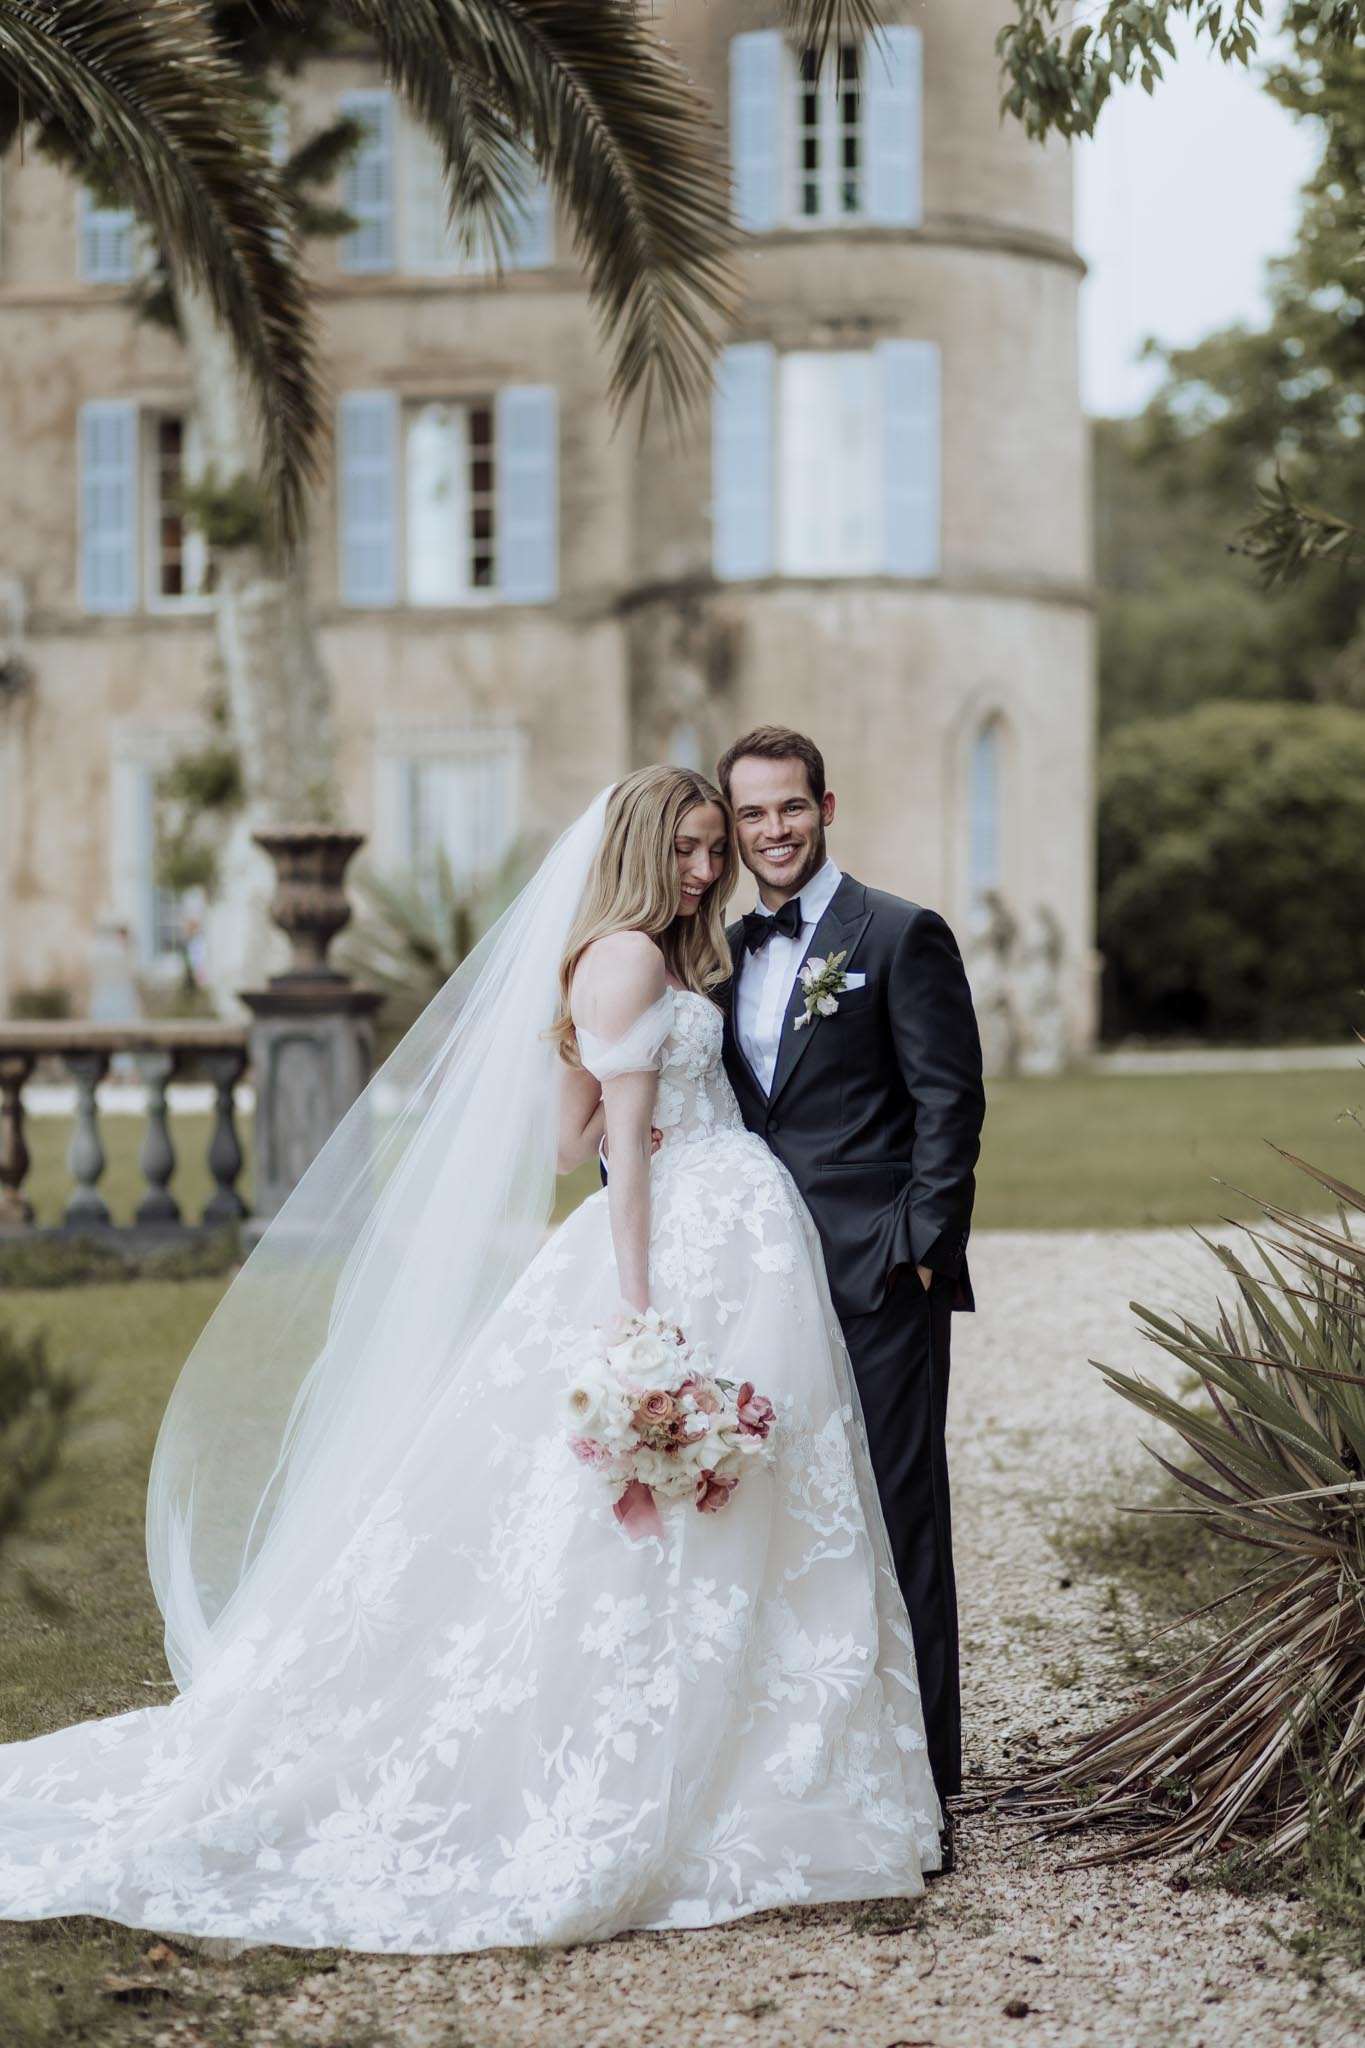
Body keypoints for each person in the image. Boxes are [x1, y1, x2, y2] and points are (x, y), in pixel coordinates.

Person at [0, 767, 941, 1954]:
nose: (711, 867)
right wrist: (645, 1314)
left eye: (719, 847)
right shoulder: (635, 960)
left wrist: (634, 1115)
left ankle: (752, 1747)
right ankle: (709, 1760)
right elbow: (617, 1165)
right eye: (694, 847)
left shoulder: (617, 954)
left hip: (735, 1226)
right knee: (695, 1498)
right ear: (651, 846)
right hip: (689, 1241)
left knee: (754, 1493)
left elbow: (565, 1135)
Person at [717, 726, 986, 1834]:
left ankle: (926, 1777)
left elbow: (950, 1104)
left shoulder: (900, 931)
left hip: (877, 1272)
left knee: (897, 1506)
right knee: (787, 1515)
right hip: (755, 1279)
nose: (772, 831)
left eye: (789, 807)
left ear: (826, 805)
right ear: (733, 830)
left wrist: (918, 1245)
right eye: (751, 816)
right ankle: (808, 1762)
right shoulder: (722, 948)